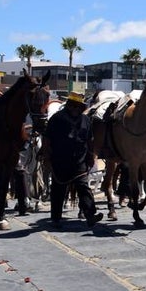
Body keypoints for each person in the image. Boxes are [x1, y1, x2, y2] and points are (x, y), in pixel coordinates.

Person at [45, 91, 103, 230]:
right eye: (74, 105)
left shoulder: (85, 120)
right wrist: (47, 156)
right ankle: (56, 218)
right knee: (58, 189)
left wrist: (91, 156)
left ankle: (90, 215)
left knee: (84, 188)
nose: (76, 108)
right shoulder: (57, 118)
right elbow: (47, 139)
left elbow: (90, 139)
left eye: (78, 106)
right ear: (69, 105)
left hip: (80, 160)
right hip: (60, 160)